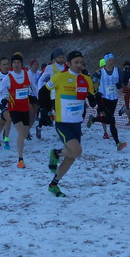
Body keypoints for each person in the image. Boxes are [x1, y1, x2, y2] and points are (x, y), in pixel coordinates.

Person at [44, 50, 96, 197]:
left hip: (76, 123)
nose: (79, 65)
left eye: (81, 62)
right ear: (69, 64)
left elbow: (91, 96)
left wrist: (95, 99)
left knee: (72, 157)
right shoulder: (60, 77)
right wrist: (46, 110)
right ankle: (55, 153)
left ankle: (53, 185)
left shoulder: (86, 79)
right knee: (77, 151)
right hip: (62, 123)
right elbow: (44, 90)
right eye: (76, 62)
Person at [0, 53, 38, 168]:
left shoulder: (27, 75)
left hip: (25, 108)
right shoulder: (8, 77)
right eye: (14, 62)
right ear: (12, 65)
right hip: (14, 109)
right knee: (21, 133)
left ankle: (20, 156)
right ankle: (20, 159)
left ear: (21, 64)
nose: (16, 64)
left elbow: (34, 87)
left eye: (18, 62)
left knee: (23, 135)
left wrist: (39, 99)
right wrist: (2, 100)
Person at [87, 54, 127, 151]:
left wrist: (120, 85)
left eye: (113, 60)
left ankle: (94, 119)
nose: (112, 62)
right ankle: (118, 143)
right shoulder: (100, 72)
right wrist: (96, 93)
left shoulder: (118, 71)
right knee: (112, 120)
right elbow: (92, 82)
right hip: (103, 98)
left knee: (108, 119)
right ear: (105, 61)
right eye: (109, 60)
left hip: (114, 98)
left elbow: (122, 82)